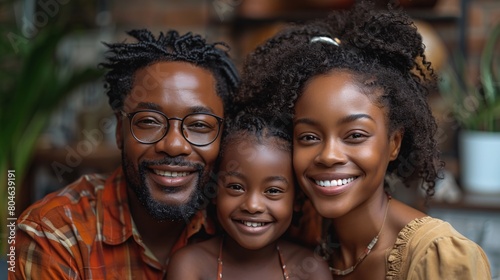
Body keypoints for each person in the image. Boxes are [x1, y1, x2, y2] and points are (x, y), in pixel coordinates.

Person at [237, 2, 492, 279]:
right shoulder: (298, 241)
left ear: (394, 143)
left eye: (355, 135)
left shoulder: (436, 257)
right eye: (309, 137)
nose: (329, 155)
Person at [13, 28, 239, 279]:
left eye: (199, 125)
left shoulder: (245, 221)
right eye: (150, 122)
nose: (174, 145)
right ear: (120, 131)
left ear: (223, 135)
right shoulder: (55, 235)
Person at [166, 112, 332, 280]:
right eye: (236, 187)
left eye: (273, 191)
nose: (253, 206)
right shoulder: (190, 265)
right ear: (215, 191)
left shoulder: (312, 269)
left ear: (296, 200)